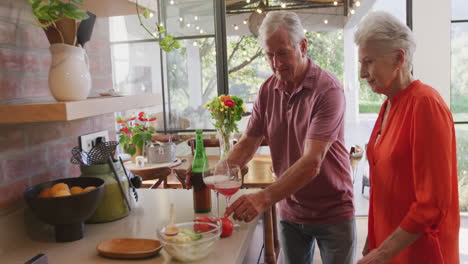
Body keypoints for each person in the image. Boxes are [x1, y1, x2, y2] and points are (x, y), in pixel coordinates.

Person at [223, 11, 355, 264]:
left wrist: (263, 198)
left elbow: (312, 162)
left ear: (302, 46)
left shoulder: (328, 89)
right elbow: (249, 142)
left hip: (333, 211)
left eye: (282, 53)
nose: (276, 63)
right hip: (290, 210)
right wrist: (219, 173)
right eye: (269, 55)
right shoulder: (266, 89)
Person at [354, 11, 460, 264]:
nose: (362, 73)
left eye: (368, 62)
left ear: (398, 58)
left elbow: (433, 203)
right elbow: (383, 185)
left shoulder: (425, 104)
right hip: (392, 245)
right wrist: (373, 239)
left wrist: (383, 252)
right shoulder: (388, 104)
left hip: (420, 251)